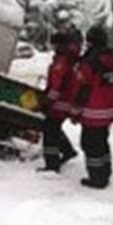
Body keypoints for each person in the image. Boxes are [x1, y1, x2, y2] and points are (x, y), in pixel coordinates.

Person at [71, 26, 113, 189]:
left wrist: (75, 111)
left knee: (90, 144)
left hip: (93, 111)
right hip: (110, 109)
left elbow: (83, 88)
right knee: (102, 141)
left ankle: (97, 178)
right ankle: (104, 172)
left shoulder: (90, 61)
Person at [38, 32, 78, 173]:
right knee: (54, 128)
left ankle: (52, 165)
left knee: (50, 131)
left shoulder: (62, 60)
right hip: (67, 100)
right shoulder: (71, 57)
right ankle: (68, 151)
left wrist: (47, 101)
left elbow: (57, 84)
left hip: (60, 102)